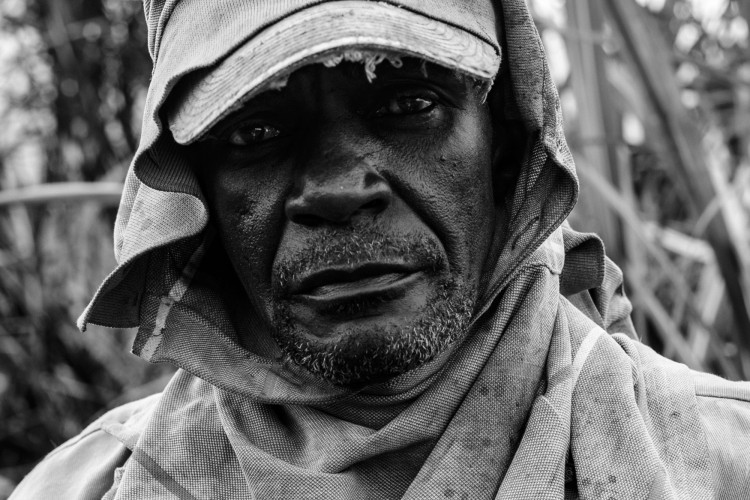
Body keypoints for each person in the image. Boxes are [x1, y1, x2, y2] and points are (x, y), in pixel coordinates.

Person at [11, 0, 750, 498]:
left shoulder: (721, 464)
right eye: (256, 132)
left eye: (408, 105)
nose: (336, 189)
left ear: (505, 150)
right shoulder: (84, 486)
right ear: (196, 192)